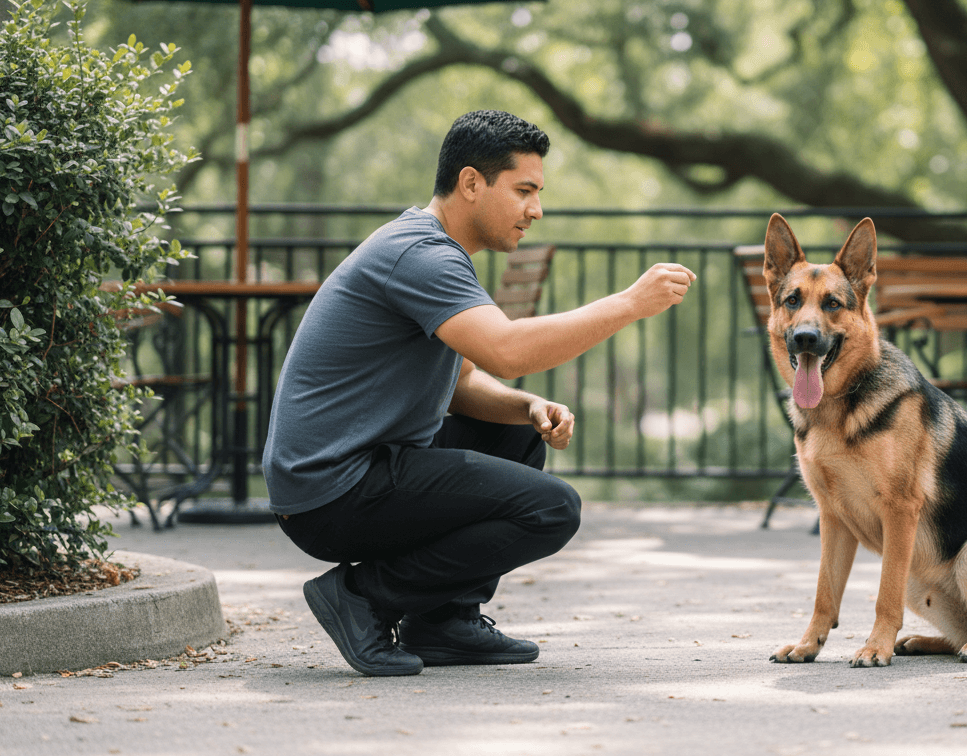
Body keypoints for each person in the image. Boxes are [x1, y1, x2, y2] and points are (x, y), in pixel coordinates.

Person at [262, 110, 696, 676]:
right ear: (471, 183)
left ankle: (441, 621)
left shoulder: (434, 249)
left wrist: (527, 407)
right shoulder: (421, 255)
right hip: (330, 489)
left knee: (515, 435)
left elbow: (462, 380)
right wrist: (629, 303)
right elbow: (508, 351)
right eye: (524, 191)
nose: (535, 210)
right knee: (551, 509)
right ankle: (364, 595)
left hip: (360, 467)